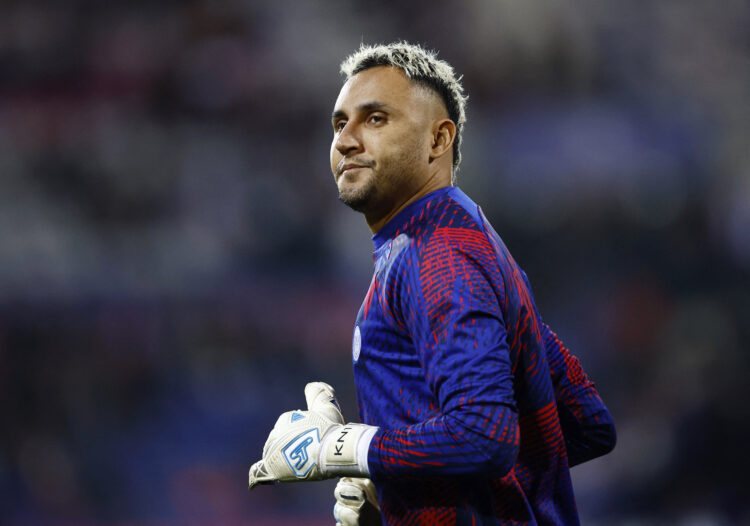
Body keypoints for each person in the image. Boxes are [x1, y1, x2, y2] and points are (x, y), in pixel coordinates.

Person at [248, 41, 616, 525]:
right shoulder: (464, 241)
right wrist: (394, 486)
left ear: (438, 139)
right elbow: (586, 423)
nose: (346, 140)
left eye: (375, 119)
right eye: (339, 124)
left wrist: (343, 448)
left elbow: (485, 435)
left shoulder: (437, 255)